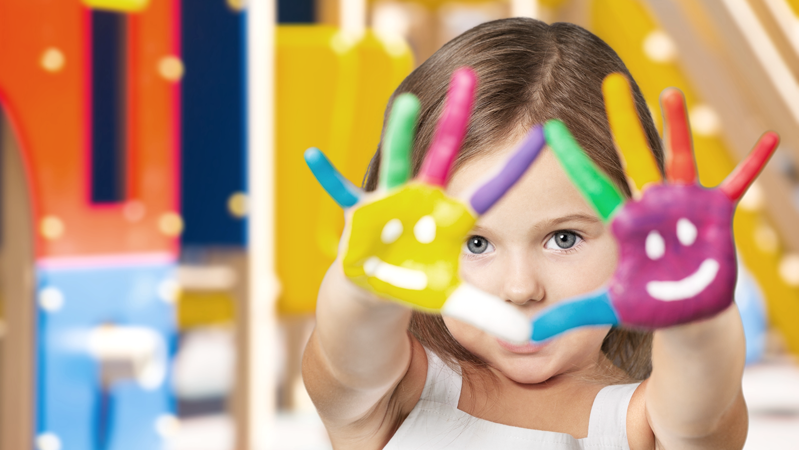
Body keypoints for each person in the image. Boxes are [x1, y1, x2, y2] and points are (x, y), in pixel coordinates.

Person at [302, 18, 749, 449]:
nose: (520, 288)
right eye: (475, 243)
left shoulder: (646, 424)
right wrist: (363, 292)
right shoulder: (395, 395)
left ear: (634, 243)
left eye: (564, 239)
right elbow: (348, 358)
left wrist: (697, 322)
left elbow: (703, 413)